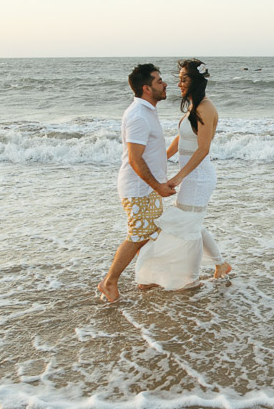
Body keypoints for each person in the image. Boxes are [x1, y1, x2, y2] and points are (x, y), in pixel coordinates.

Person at [134, 59, 232, 290]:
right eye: (179, 79)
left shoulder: (206, 108)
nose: (179, 84)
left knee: (187, 225)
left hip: (198, 177)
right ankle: (220, 264)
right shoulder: (193, 106)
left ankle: (189, 278)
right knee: (192, 224)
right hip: (190, 175)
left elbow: (203, 148)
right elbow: (182, 139)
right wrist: (161, 159)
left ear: (197, 80)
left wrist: (178, 177)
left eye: (184, 79)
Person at [97, 64, 175, 302]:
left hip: (146, 187)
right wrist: (157, 186)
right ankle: (108, 282)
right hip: (139, 188)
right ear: (146, 88)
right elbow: (135, 158)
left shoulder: (147, 111)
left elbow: (151, 153)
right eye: (159, 81)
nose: (164, 84)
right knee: (138, 235)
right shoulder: (138, 115)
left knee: (150, 233)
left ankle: (145, 277)